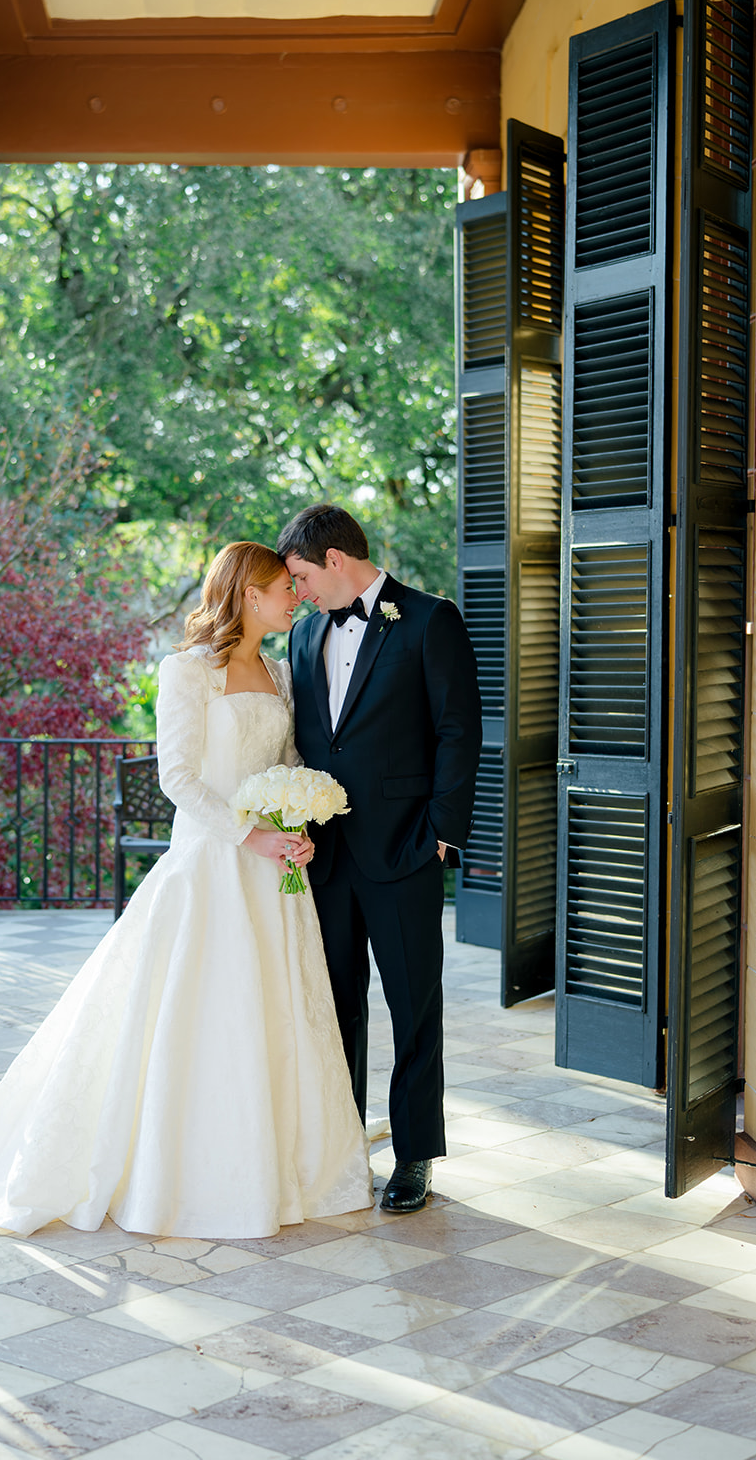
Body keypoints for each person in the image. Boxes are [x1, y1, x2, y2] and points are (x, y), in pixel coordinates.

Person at [0, 542, 372, 1240]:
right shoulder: (186, 672)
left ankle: (289, 1167)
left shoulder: (279, 672)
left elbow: (286, 762)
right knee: (200, 1014)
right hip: (211, 867)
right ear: (247, 594)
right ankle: (189, 1176)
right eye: (280, 588)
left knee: (276, 1012)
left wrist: (295, 824)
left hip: (273, 878)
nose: (293, 597)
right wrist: (247, 837)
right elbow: (177, 777)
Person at [278, 504, 482, 1215]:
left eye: (301, 576)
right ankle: (339, 1149)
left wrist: (441, 833)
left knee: (411, 1008)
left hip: (405, 849)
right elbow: (307, 742)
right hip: (325, 856)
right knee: (335, 1008)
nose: (296, 592)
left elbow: (459, 730)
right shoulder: (304, 638)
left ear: (334, 560)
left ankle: (415, 1156)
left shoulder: (429, 619)